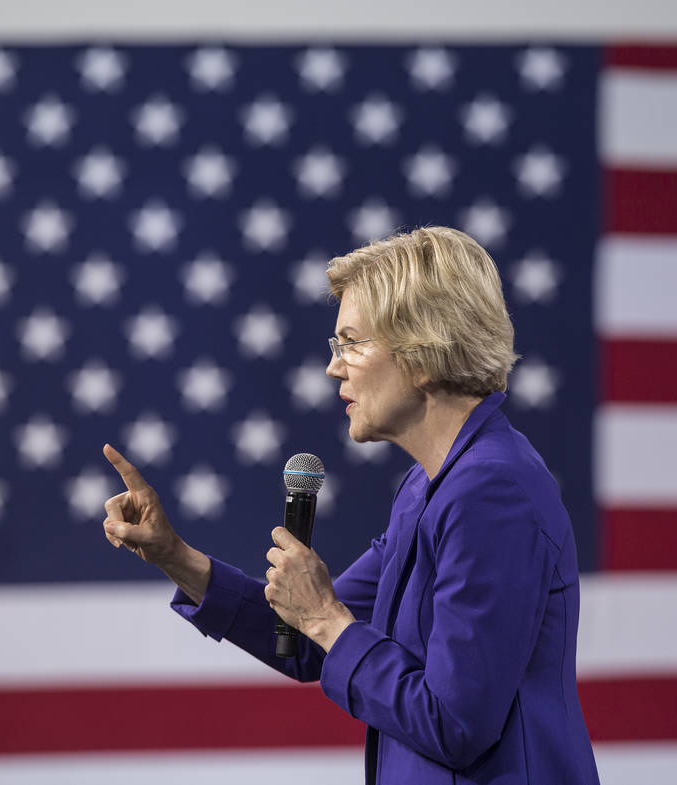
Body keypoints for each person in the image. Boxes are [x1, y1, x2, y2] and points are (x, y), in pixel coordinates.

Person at [101, 226, 600, 785]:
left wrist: (323, 618)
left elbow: (456, 723)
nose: (335, 368)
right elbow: (304, 641)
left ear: (423, 354)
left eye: (352, 343)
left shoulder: (491, 492)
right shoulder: (427, 487)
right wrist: (174, 555)